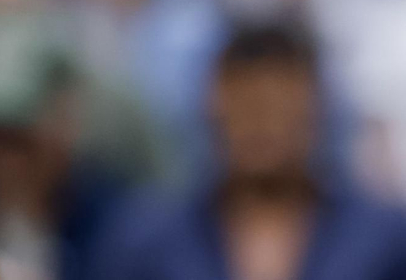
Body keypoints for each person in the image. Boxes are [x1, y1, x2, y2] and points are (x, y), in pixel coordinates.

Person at [91, 22, 406, 280]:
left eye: (279, 106)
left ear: (316, 109)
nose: (262, 124)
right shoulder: (148, 238)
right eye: (246, 106)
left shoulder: (384, 238)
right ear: (213, 107)